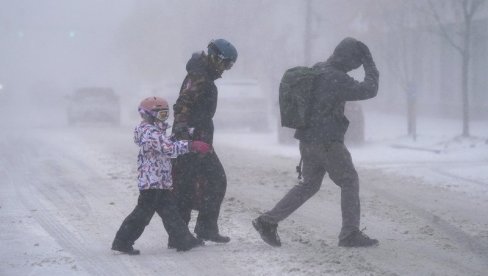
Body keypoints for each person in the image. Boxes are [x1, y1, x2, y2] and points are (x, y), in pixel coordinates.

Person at [253, 37, 380, 248]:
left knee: (308, 186)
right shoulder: (336, 78)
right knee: (349, 180)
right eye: (355, 62)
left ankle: (268, 221)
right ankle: (349, 234)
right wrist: (370, 64)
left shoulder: (318, 69)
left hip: (308, 140)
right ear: (350, 60)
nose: (354, 67)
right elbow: (369, 89)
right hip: (328, 142)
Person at [111, 96, 212, 254]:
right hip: (152, 182)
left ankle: (183, 240)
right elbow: (168, 148)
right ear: (149, 115)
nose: (164, 118)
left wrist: (183, 133)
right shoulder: (149, 132)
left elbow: (165, 143)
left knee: (170, 212)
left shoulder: (155, 132)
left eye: (166, 114)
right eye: (161, 114)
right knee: (142, 214)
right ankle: (122, 241)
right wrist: (192, 145)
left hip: (160, 181)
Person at [170, 39, 237, 245]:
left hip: (200, 138)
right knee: (190, 184)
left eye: (230, 66)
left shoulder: (204, 75)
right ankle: (180, 235)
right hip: (191, 139)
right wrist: (183, 130)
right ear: (216, 58)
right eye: (226, 64)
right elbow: (183, 103)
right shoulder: (199, 76)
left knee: (205, 182)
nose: (226, 69)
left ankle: (202, 229)